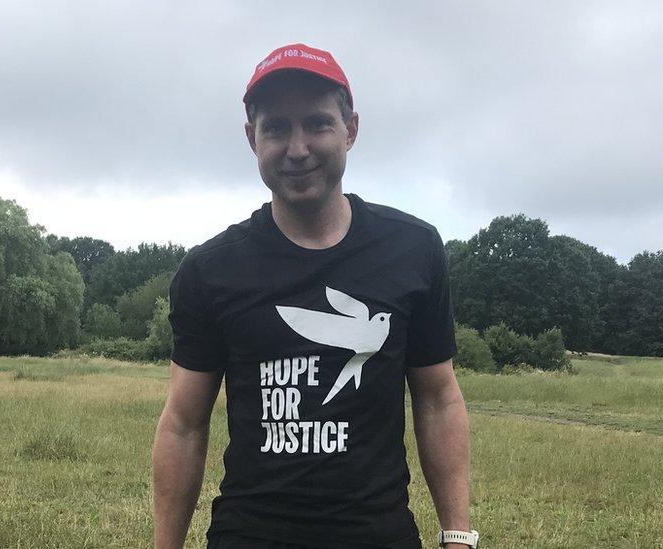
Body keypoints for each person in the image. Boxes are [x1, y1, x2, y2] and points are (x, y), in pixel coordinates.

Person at [152, 43, 477, 549]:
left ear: (350, 129)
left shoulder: (413, 249)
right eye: (276, 127)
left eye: (317, 123)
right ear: (250, 137)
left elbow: (437, 397)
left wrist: (458, 536)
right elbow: (183, 426)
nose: (297, 147)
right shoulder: (211, 270)